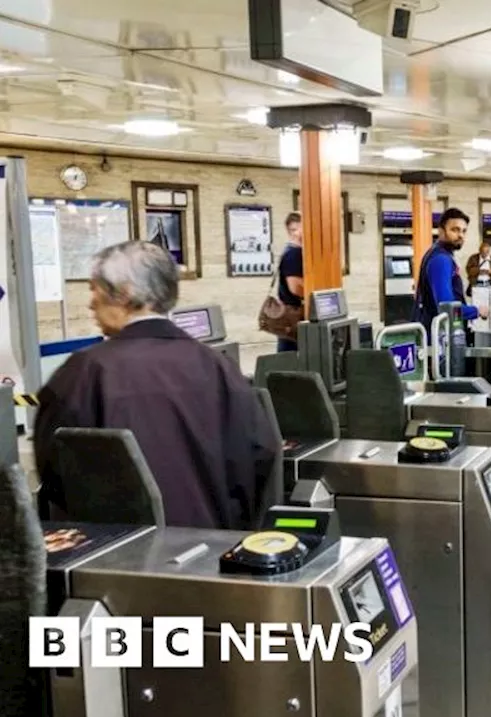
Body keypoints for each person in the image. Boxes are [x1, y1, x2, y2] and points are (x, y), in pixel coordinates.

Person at [34, 241, 276, 529]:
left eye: (94, 289)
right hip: (213, 553)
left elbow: (54, 469)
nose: (90, 303)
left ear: (123, 294)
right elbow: (260, 454)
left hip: (121, 555)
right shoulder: (217, 365)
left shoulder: (86, 371)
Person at [413, 208, 487, 324]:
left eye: (463, 231)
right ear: (441, 231)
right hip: (438, 335)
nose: (461, 235)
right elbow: (446, 307)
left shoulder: (438, 254)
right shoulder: (441, 259)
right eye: (455, 230)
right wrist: (476, 311)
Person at [276, 212, 304, 352]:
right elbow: (295, 287)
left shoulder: (293, 251)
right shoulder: (293, 253)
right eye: (294, 230)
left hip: (290, 314)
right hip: (293, 314)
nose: (298, 233)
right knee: (289, 356)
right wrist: (314, 293)